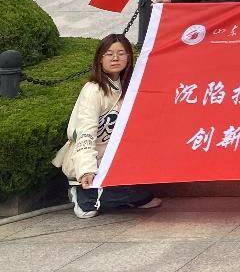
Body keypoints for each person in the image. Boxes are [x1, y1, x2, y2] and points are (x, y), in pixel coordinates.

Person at [54, 34, 162, 218]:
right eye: (109, 54)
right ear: (100, 59)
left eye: (121, 53)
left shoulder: (129, 86)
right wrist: (86, 170)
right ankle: (82, 195)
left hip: (119, 157)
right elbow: (86, 133)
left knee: (141, 190)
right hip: (93, 158)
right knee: (90, 209)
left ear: (129, 58)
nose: (115, 58)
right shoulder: (93, 90)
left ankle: (128, 195)